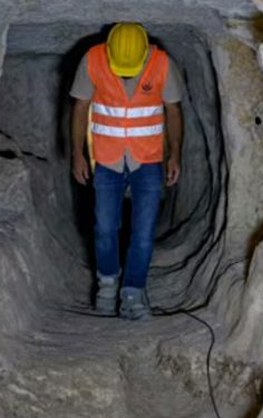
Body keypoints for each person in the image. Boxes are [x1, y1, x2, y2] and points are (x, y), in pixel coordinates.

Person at [69, 22, 184, 320]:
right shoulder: (93, 60)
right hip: (107, 157)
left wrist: (175, 156)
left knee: (143, 234)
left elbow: (173, 110)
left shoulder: (161, 63)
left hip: (147, 158)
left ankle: (132, 292)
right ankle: (107, 285)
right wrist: (77, 154)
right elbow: (80, 108)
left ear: (146, 53)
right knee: (105, 228)